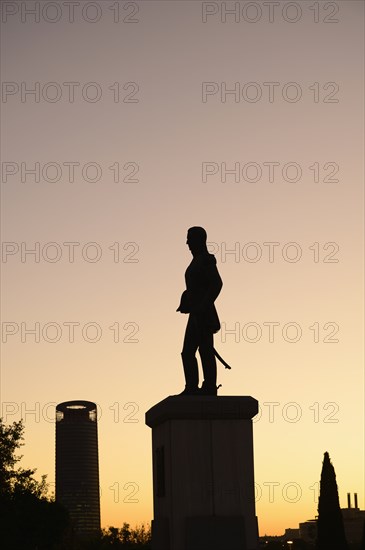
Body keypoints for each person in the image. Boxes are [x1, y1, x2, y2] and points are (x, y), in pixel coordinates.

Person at [176, 226, 223, 395]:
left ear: (199, 240)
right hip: (195, 312)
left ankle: (209, 386)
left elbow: (217, 284)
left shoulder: (206, 260)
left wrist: (203, 304)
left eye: (190, 238)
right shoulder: (195, 261)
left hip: (203, 313)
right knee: (188, 352)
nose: (187, 242)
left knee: (204, 349)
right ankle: (191, 387)